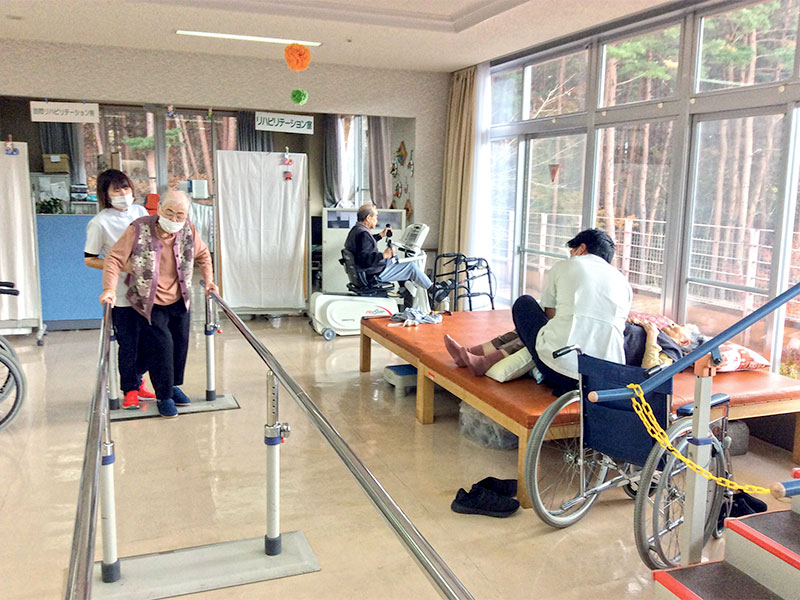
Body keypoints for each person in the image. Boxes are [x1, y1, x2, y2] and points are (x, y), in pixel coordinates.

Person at [447, 229, 632, 395]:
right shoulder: (623, 283)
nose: (571, 255)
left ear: (581, 249)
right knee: (550, 328)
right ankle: (478, 356)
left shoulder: (567, 266)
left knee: (525, 305)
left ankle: (479, 355)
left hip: (559, 371)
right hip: (605, 380)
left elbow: (549, 317)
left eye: (572, 251)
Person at [100, 190, 218, 418]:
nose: (174, 219)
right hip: (149, 301)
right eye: (169, 212)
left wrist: (209, 280)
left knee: (180, 345)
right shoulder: (139, 228)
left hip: (179, 298)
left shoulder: (188, 229)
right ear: (160, 208)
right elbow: (114, 259)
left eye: (180, 215)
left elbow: (203, 254)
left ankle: (172, 386)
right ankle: (164, 396)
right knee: (162, 347)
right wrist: (109, 289)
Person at [84, 169, 155, 409]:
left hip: (147, 290)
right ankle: (130, 390)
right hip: (122, 294)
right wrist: (121, 265)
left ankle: (138, 379)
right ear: (106, 194)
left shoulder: (140, 212)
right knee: (128, 343)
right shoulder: (99, 222)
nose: (123, 193)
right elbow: (89, 259)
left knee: (151, 341)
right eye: (116, 189)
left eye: (126, 187)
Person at [344, 204, 432, 309]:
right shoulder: (363, 234)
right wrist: (384, 255)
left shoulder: (356, 230)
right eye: (376, 217)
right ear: (368, 218)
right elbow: (365, 260)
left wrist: (380, 235)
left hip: (366, 272)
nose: (376, 220)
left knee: (396, 261)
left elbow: (364, 245)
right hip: (372, 274)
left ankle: (403, 288)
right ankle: (433, 290)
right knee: (410, 266)